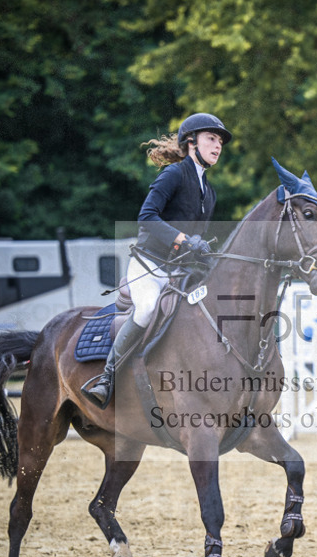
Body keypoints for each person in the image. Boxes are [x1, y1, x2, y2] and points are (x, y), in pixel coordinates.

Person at [82, 113, 232, 408]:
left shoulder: (209, 192)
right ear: (191, 143)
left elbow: (196, 241)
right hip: (149, 265)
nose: (218, 146)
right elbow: (147, 217)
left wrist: (204, 254)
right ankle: (106, 377)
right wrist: (183, 241)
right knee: (148, 308)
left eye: (220, 142)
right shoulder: (174, 174)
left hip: (178, 270)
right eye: (211, 139)